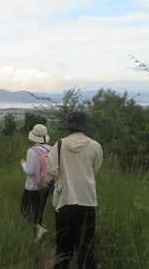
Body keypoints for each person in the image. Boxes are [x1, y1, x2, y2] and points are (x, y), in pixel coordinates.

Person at [46, 111, 103, 269]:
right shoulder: (95, 146)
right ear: (84, 128)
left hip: (64, 201)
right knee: (86, 245)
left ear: (69, 128)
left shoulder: (58, 145)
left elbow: (51, 171)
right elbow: (95, 168)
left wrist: (63, 176)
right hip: (87, 200)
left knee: (63, 245)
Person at [19, 124, 52, 240]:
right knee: (39, 210)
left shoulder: (32, 151)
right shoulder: (51, 149)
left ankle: (38, 229)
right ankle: (39, 230)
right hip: (46, 185)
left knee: (24, 209)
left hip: (32, 186)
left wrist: (23, 163)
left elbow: (30, 171)